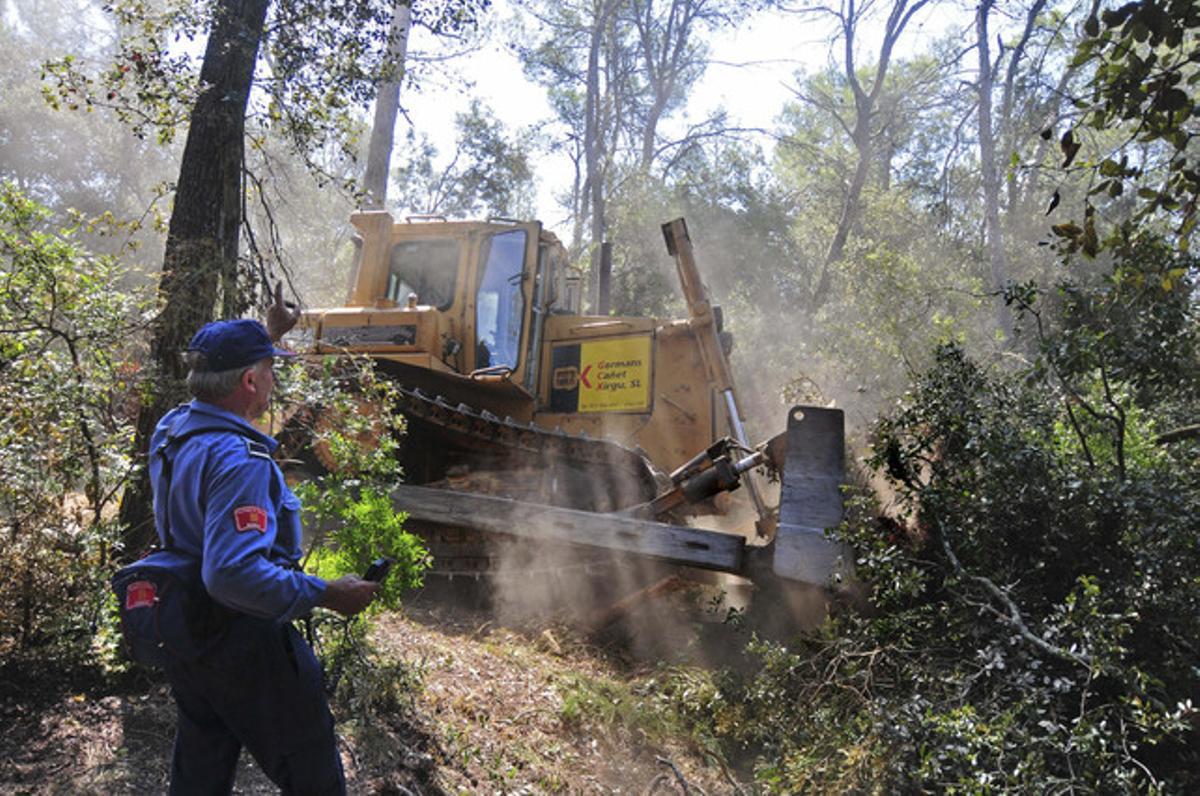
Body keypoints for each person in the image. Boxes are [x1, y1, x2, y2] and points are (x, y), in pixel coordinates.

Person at [149, 287, 377, 795]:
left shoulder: (171, 430)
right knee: (312, 771)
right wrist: (326, 592)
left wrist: (266, 335)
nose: (274, 381)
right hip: (245, 640)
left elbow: (223, 380)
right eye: (269, 371)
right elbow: (231, 573)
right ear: (250, 381)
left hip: (188, 633)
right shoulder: (239, 460)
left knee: (200, 772)